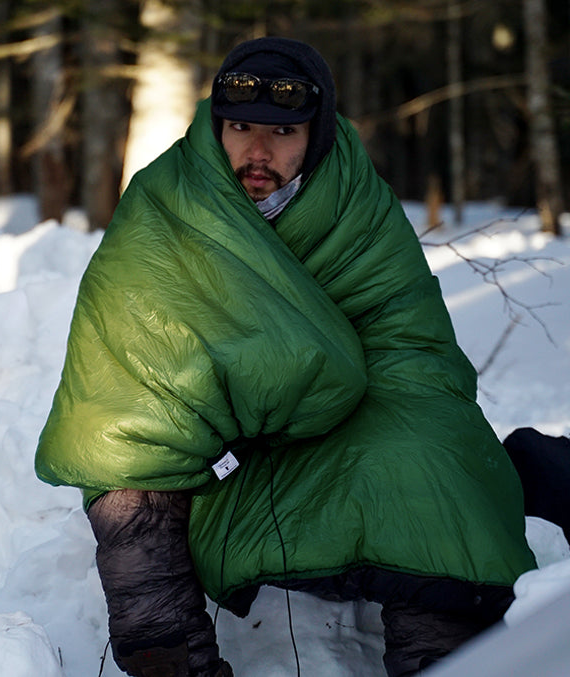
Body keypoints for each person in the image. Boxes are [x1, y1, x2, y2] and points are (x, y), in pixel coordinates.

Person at [35, 37, 537, 677]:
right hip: (215, 461)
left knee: (434, 453)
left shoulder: (355, 201)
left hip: (341, 432)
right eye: (240, 128)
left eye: (283, 132)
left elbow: (408, 343)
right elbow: (132, 372)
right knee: (125, 468)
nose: (258, 152)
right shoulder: (166, 203)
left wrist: (324, 396)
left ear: (317, 133)